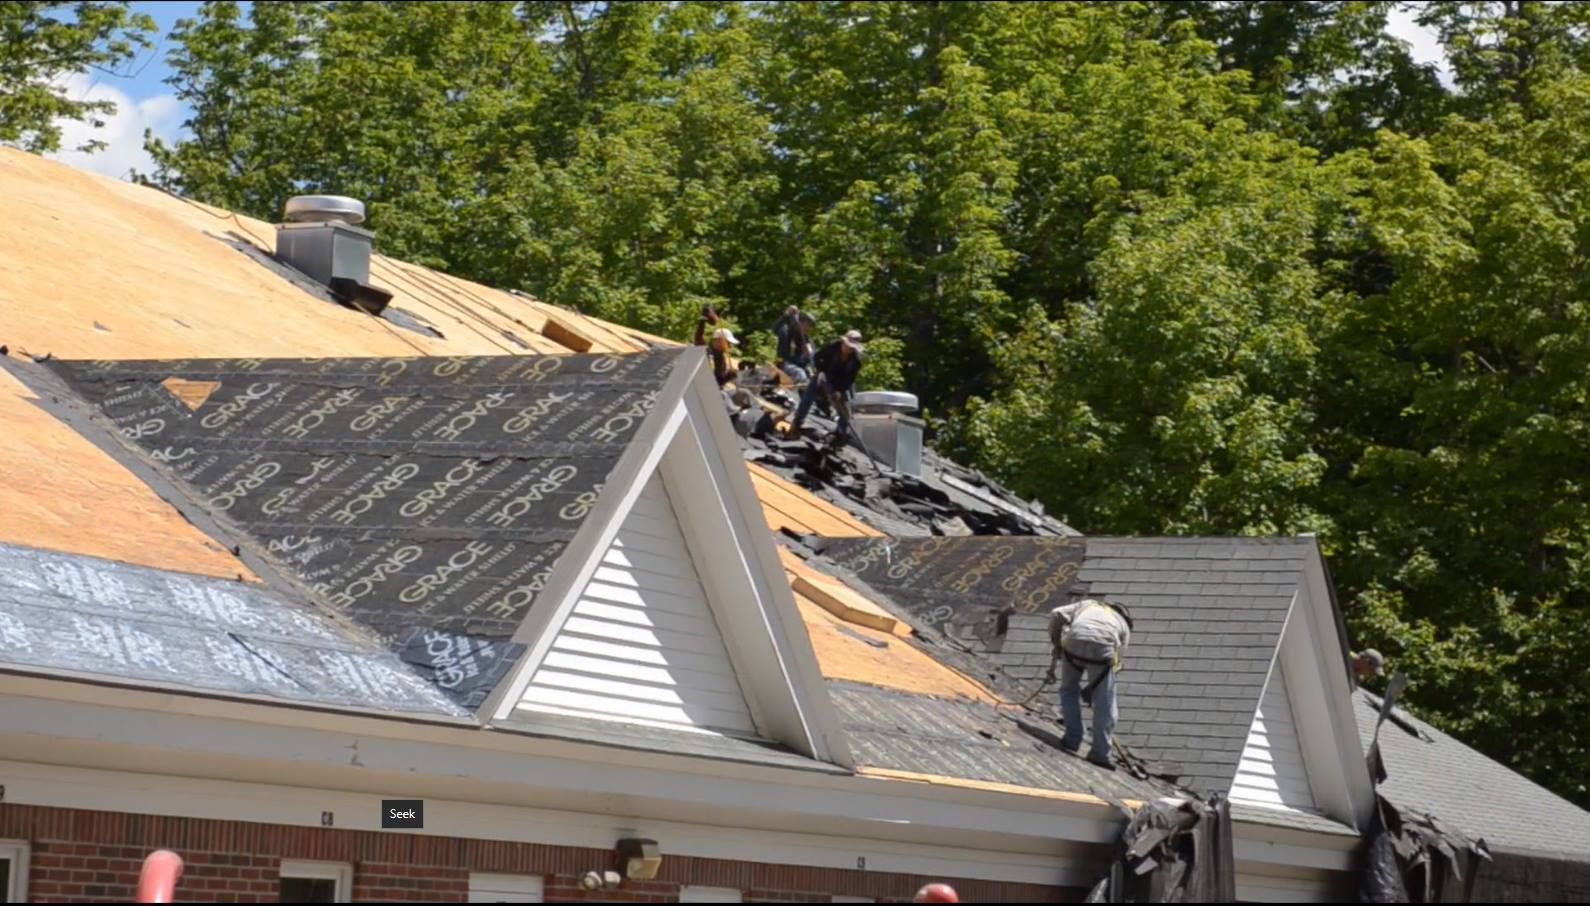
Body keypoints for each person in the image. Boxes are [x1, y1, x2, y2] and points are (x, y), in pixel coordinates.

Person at [1045, 596, 1133, 769]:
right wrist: (1093, 689)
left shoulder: (1087, 605)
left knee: (1069, 689)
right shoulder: (1122, 625)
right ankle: (1100, 753)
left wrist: (1057, 644)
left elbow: (1056, 613)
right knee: (1105, 702)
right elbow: (1115, 664)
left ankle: (1072, 739)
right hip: (1103, 651)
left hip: (1074, 642)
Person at [789, 329, 864, 435]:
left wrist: (839, 390)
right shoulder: (831, 348)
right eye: (848, 346)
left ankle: (841, 433)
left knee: (844, 408)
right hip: (824, 374)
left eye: (852, 348)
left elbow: (850, 379)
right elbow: (816, 358)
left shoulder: (856, 361)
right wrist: (820, 371)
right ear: (843, 342)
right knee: (808, 396)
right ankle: (797, 423)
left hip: (839, 383)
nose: (849, 349)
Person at [772, 307, 815, 383]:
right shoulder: (786, 331)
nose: (807, 328)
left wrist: (808, 358)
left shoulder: (807, 340)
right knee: (800, 374)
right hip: (785, 365)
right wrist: (785, 316)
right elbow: (774, 329)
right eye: (806, 325)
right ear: (800, 323)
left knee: (813, 377)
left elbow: (811, 357)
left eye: (809, 326)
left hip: (801, 366)